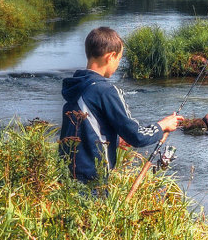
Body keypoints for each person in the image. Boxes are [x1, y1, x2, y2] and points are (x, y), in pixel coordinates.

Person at [59, 26, 180, 191]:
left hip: (66, 179)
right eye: (119, 59)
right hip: (93, 184)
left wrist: (115, 140)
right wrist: (163, 125)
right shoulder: (105, 90)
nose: (118, 64)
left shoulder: (76, 86)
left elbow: (84, 130)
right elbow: (137, 137)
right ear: (111, 56)